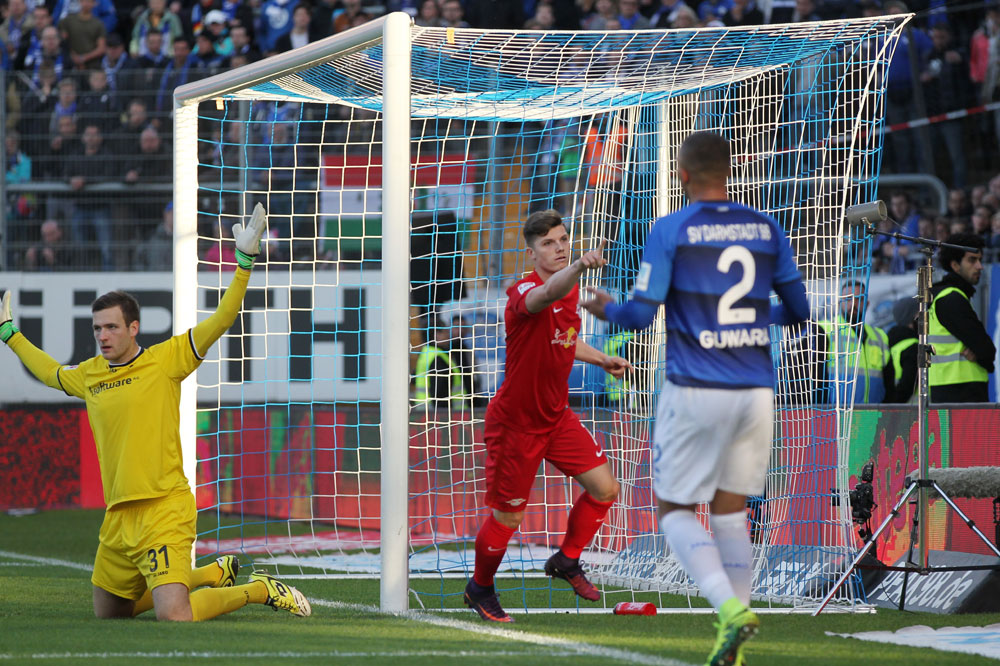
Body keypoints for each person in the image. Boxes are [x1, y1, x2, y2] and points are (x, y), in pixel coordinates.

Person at [0, 204, 311, 621]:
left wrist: (243, 264)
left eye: (111, 327)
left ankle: (258, 590)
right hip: (118, 516)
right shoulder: (90, 374)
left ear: (133, 328)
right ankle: (210, 574)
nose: (102, 336)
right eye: (97, 328)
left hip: (164, 507)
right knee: (110, 614)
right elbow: (51, 372)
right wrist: (10, 335)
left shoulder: (167, 360)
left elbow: (221, 320)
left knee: (174, 616)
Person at [581, 132, 809, 666]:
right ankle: (735, 642)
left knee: (675, 509)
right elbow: (798, 312)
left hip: (696, 388)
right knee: (731, 512)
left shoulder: (672, 229)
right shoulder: (766, 227)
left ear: (681, 175)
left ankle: (730, 609)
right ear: (730, 171)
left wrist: (600, 306)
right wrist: (754, 319)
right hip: (755, 390)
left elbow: (638, 316)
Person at [464, 209, 630, 623]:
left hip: (556, 417)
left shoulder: (570, 289)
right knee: (509, 516)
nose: (557, 248)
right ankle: (479, 588)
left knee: (605, 489)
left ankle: (567, 560)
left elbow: (565, 340)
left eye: (562, 240)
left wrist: (601, 358)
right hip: (516, 424)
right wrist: (577, 265)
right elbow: (545, 297)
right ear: (532, 251)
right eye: (547, 244)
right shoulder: (524, 290)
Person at [929, 233, 996, 402]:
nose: (980, 266)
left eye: (980, 260)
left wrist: (982, 353)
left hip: (949, 386)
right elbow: (987, 349)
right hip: (962, 389)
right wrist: (984, 356)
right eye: (972, 260)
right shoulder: (951, 298)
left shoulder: (943, 296)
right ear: (955, 265)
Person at [815, 280, 894, 404]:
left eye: (859, 299)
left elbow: (889, 379)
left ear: (867, 304)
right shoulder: (825, 329)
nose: (853, 304)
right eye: (848, 299)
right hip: (833, 413)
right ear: (839, 302)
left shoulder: (879, 336)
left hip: (872, 414)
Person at [887, 297, 918, 403]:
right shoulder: (913, 347)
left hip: (898, 410)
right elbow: (907, 385)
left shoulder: (890, 343)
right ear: (912, 317)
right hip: (913, 412)